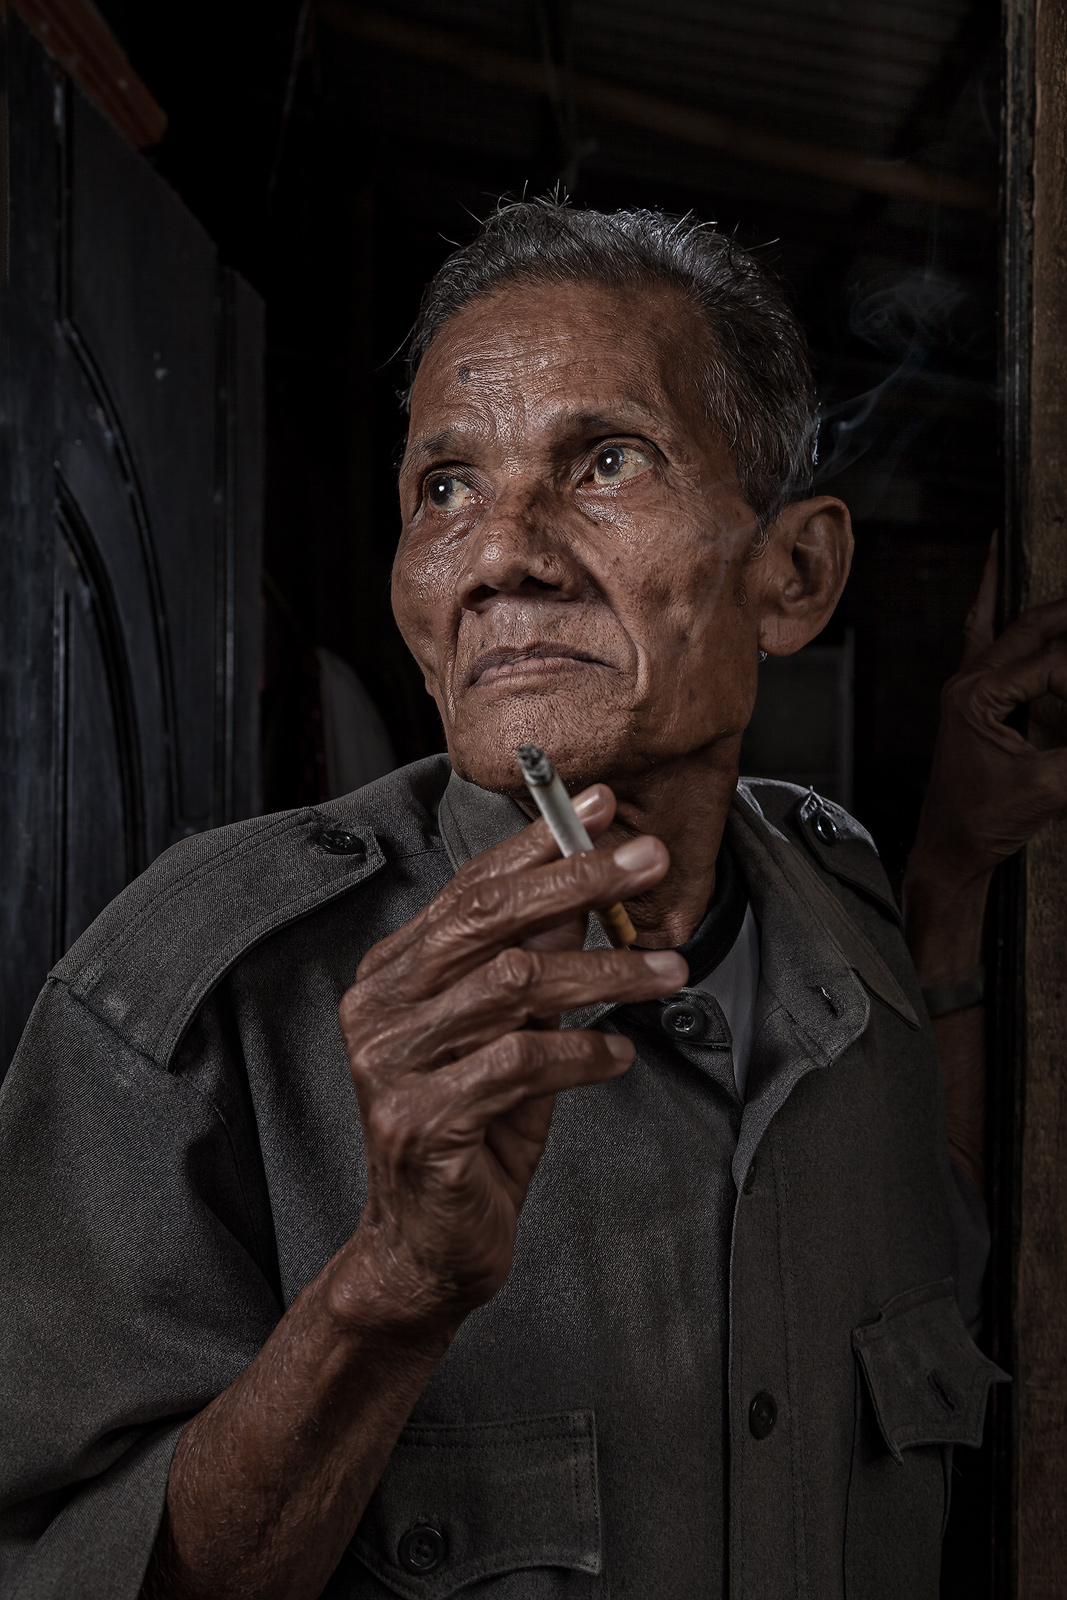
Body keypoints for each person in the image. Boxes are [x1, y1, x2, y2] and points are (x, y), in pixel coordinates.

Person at [2, 201, 1065, 1600]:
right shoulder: (192, 1003)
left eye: (604, 459)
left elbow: (936, 1238)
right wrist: (388, 1289)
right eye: (444, 487)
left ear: (794, 574)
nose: (500, 552)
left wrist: (953, 870)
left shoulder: (843, 897)